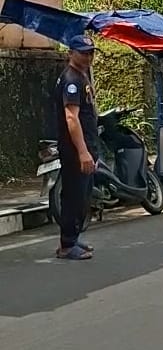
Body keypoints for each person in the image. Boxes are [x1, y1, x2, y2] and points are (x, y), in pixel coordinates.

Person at [55, 34, 99, 260]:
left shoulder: (82, 76)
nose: (88, 57)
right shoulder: (71, 80)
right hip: (75, 149)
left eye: (91, 53)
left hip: (87, 146)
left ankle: (73, 237)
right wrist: (82, 152)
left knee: (83, 196)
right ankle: (67, 244)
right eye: (83, 53)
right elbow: (71, 118)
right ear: (71, 53)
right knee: (74, 196)